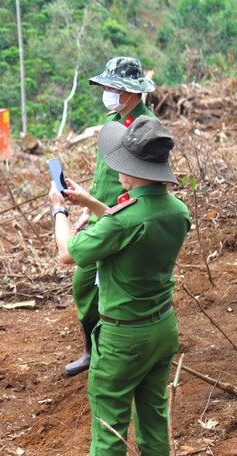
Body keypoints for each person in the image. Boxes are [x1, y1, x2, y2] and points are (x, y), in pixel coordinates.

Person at [48, 115, 190, 456]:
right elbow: (130, 223)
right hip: (162, 330)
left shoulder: (125, 221)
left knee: (109, 430)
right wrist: (93, 204)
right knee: (154, 422)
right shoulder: (177, 211)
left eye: (121, 165)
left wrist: (59, 211)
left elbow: (68, 253)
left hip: (123, 341)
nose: (116, 172)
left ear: (137, 169)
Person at [64, 56, 160, 377]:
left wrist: (108, 214)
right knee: (84, 286)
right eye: (106, 85)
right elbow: (103, 177)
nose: (106, 90)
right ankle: (92, 350)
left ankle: (117, 351)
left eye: (112, 86)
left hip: (122, 220)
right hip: (99, 215)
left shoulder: (145, 129)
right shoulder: (113, 122)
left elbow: (142, 185)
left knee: (114, 288)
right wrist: (86, 209)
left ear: (130, 91)